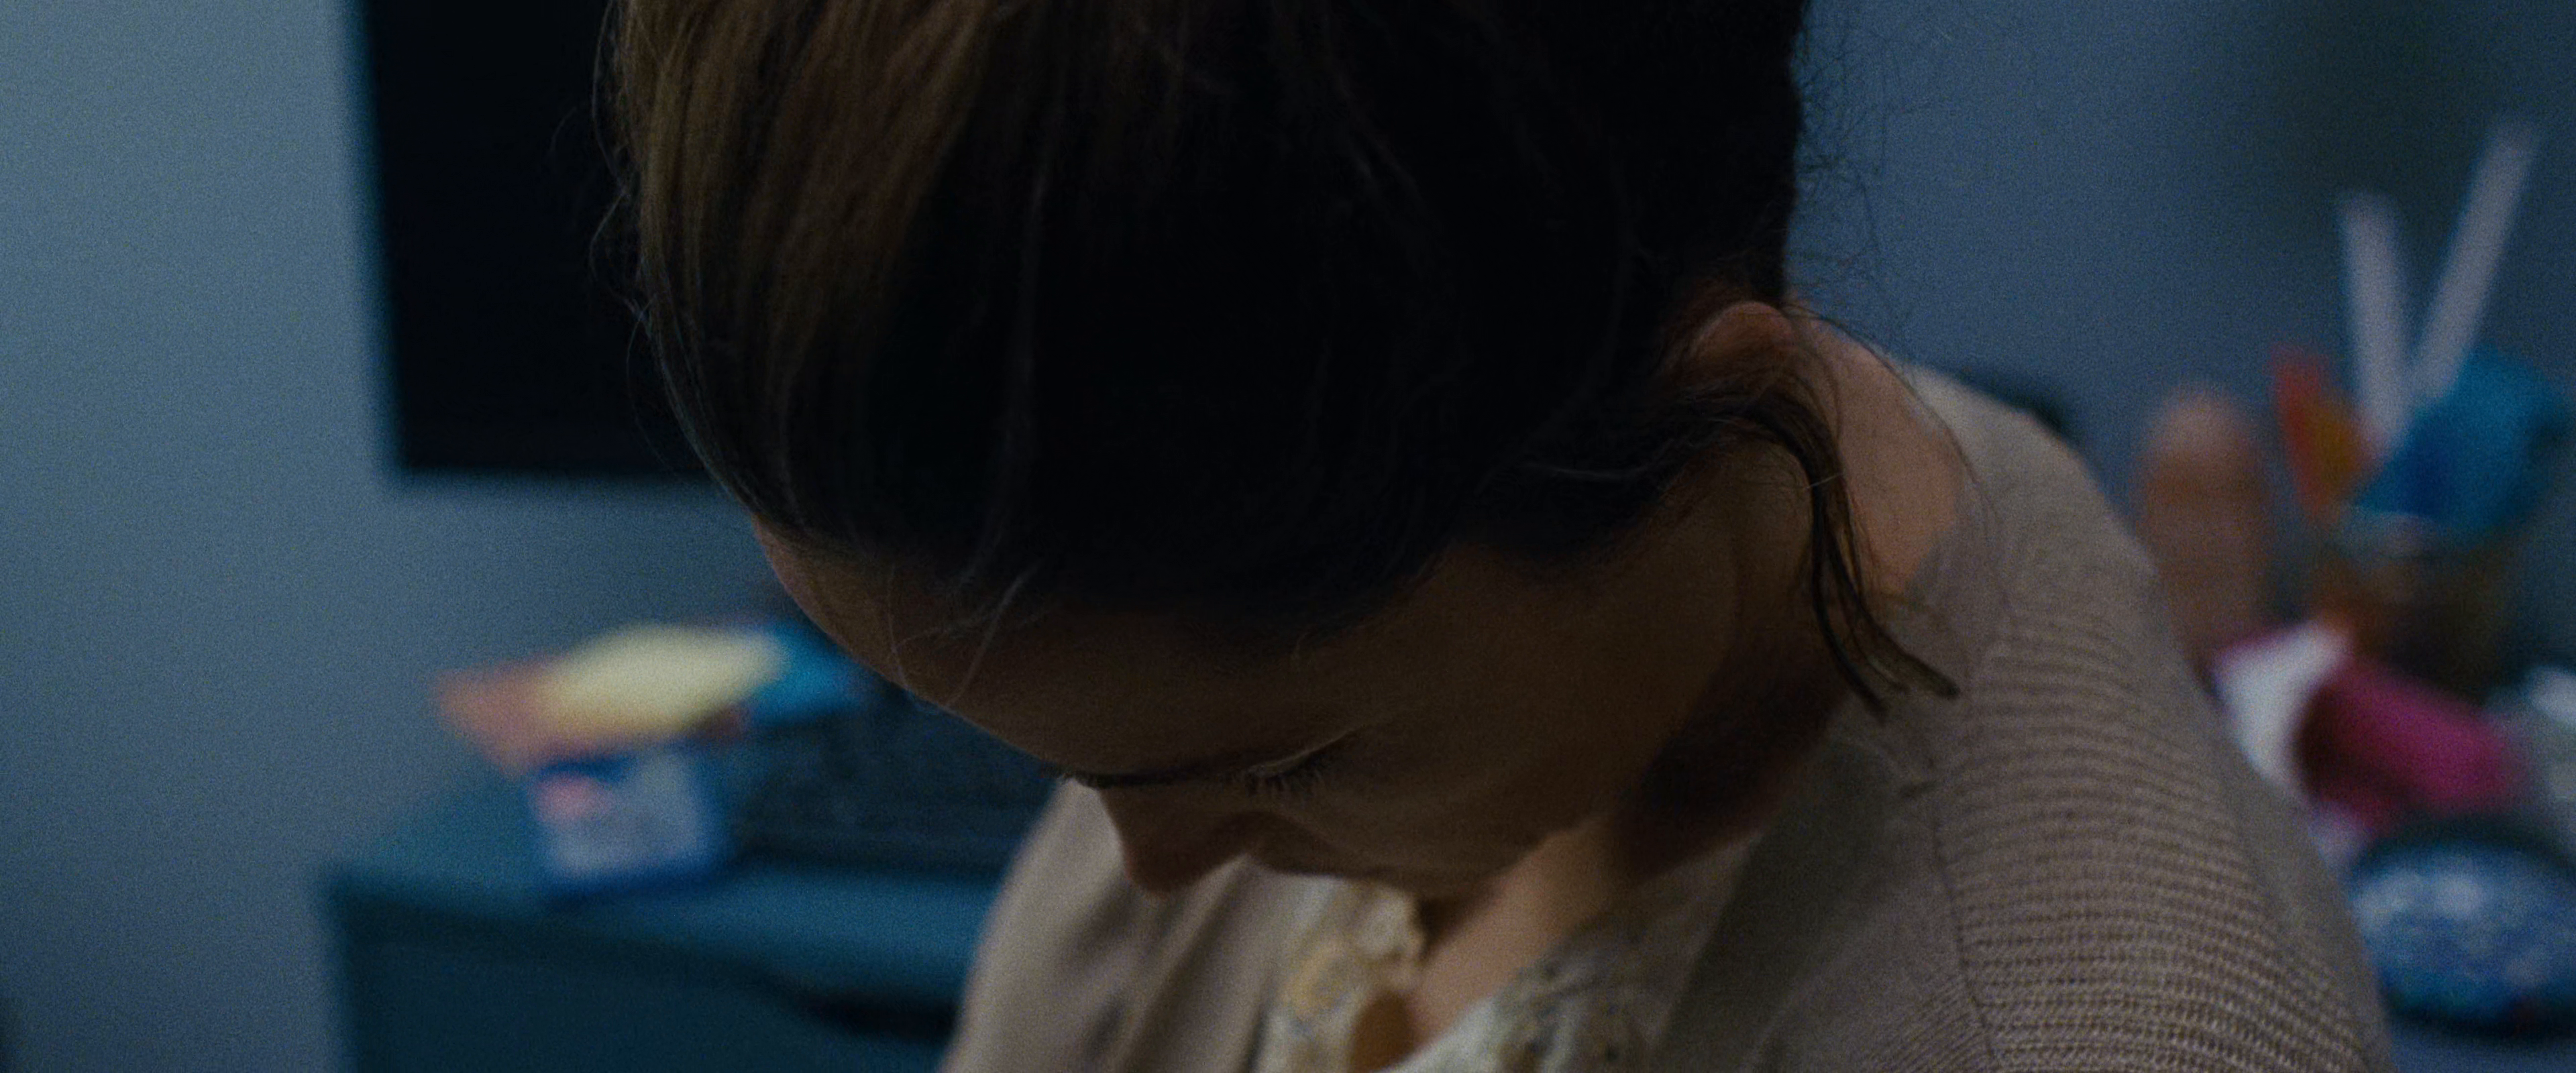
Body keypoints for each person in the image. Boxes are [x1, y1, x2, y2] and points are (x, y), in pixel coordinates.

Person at [612, 0, 2396, 1068]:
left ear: (1695, 432)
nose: (1143, 868)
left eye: (1282, 766)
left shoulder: (2108, 1025)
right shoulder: (1235, 538)